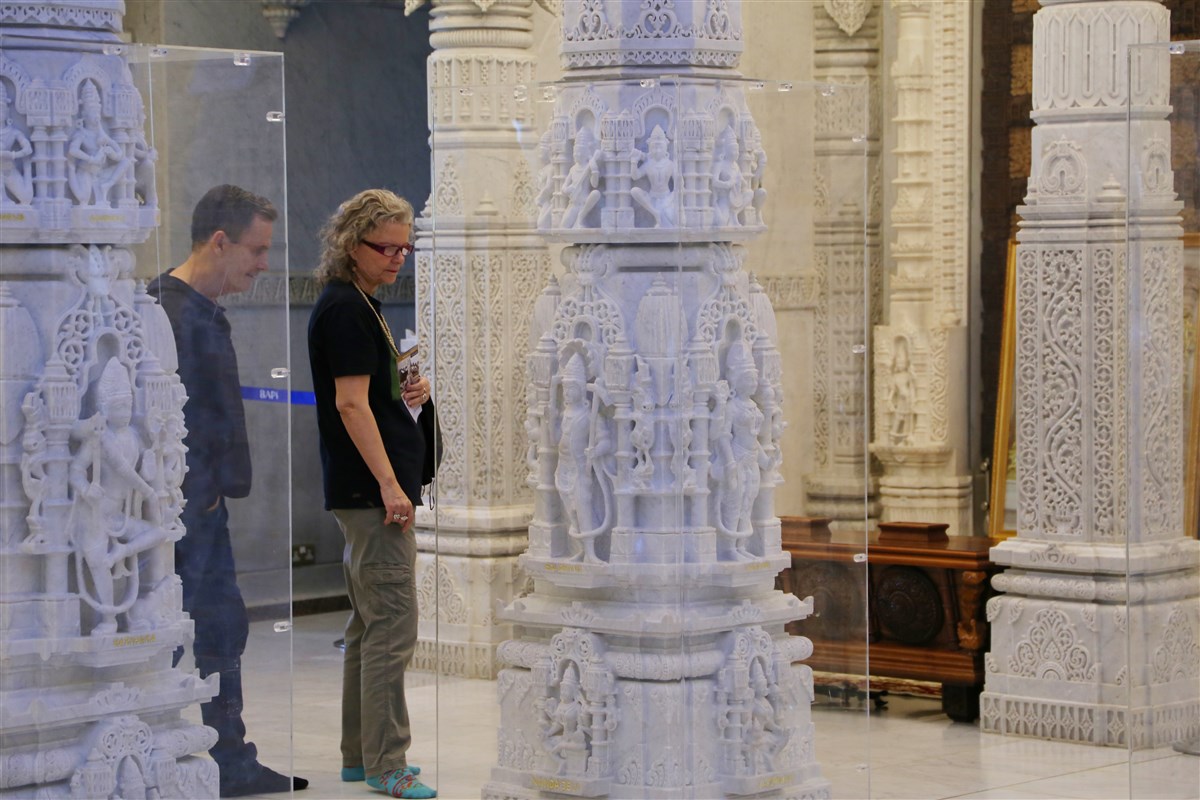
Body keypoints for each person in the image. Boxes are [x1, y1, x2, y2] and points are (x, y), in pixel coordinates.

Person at [148, 184, 307, 797]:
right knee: (175, 633)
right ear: (220, 242)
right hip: (179, 515)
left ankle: (229, 759)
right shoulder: (167, 312)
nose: (264, 263)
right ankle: (157, 755)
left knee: (222, 630)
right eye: (256, 250)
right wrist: (197, 493)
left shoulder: (200, 310)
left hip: (202, 509)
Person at [307, 189, 437, 800]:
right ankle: (388, 763)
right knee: (393, 625)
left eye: (405, 248)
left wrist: (411, 391)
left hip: (366, 489)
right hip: (370, 492)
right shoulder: (345, 309)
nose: (397, 258)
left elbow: (372, 397)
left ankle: (360, 756)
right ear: (350, 244)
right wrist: (389, 484)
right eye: (386, 248)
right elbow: (350, 405)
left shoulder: (361, 304)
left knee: (368, 624)